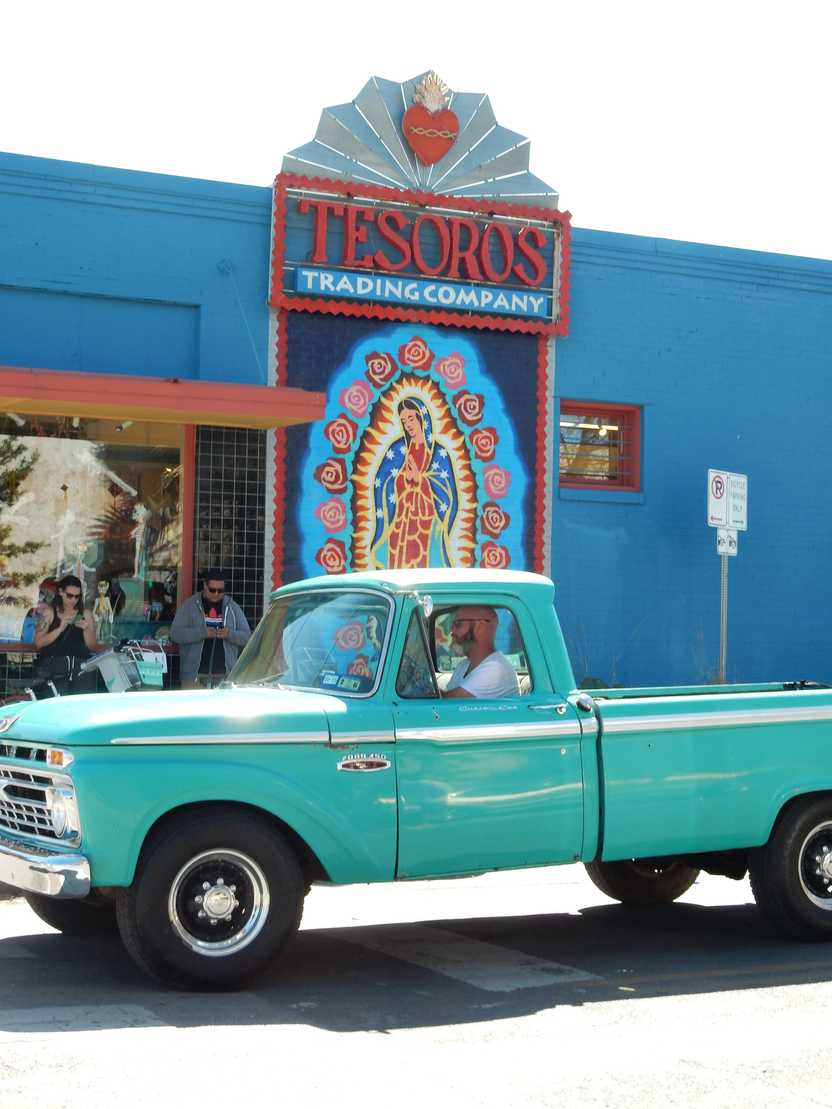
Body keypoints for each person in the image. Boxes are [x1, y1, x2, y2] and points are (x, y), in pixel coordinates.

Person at [371, 397, 458, 568]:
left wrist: (421, 480)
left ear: (422, 419)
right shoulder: (397, 451)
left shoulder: (438, 453)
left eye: (411, 418)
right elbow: (384, 481)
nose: (408, 424)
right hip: (401, 523)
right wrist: (402, 479)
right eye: (404, 421)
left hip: (427, 525)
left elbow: (448, 493)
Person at [171, 569, 252, 689]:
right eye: (212, 590)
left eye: (221, 591)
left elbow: (247, 637)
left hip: (225, 677)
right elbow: (175, 634)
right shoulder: (190, 606)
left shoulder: (232, 607)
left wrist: (229, 634)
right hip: (194, 677)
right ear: (205, 585)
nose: (216, 594)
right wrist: (202, 632)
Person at [33, 574, 100, 694]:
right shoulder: (49, 613)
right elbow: (38, 643)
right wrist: (59, 629)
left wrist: (86, 629)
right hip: (55, 670)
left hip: (81, 671)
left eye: (77, 596)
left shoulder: (86, 614)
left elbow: (92, 646)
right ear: (61, 592)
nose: (73, 600)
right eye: (70, 596)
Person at [443, 605, 520, 699]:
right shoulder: (463, 665)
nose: (451, 631)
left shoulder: (496, 669)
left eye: (458, 624)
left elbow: (447, 702)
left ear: (480, 627)